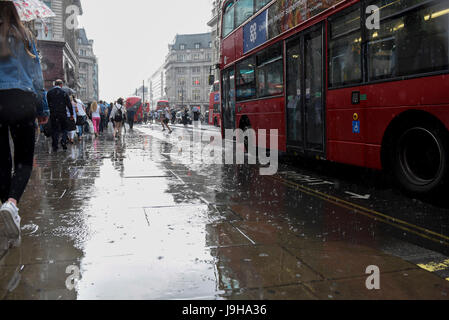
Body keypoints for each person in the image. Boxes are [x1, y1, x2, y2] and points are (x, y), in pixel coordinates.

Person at [0, 1, 48, 245]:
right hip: (21, 99)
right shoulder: (25, 36)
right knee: (23, 161)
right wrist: (42, 108)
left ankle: (8, 208)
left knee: (1, 161)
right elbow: (37, 76)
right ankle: (11, 204)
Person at [47, 79, 73, 151]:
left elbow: (47, 104)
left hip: (53, 114)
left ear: (55, 84)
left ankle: (55, 146)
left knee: (55, 129)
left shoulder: (49, 92)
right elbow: (69, 104)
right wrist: (71, 114)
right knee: (65, 128)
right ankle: (63, 141)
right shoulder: (64, 93)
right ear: (61, 85)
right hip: (62, 114)